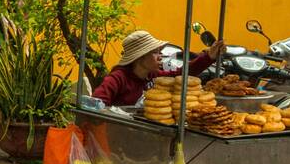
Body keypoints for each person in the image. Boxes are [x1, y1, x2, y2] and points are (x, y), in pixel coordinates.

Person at [92, 30, 225, 107]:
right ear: (140, 57)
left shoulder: (154, 76)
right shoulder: (117, 79)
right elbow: (96, 103)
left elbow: (180, 75)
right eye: (155, 52)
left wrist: (209, 56)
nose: (160, 56)